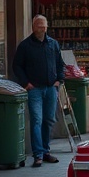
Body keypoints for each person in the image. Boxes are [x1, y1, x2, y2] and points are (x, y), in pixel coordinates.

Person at [13, 15, 65, 167]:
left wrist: (59, 81)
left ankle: (45, 151)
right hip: (34, 89)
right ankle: (38, 155)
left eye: (44, 26)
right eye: (39, 25)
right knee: (37, 120)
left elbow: (60, 64)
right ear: (33, 27)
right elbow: (17, 66)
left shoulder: (53, 44)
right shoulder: (25, 46)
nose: (41, 28)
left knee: (48, 120)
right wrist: (26, 83)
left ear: (47, 27)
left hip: (51, 88)